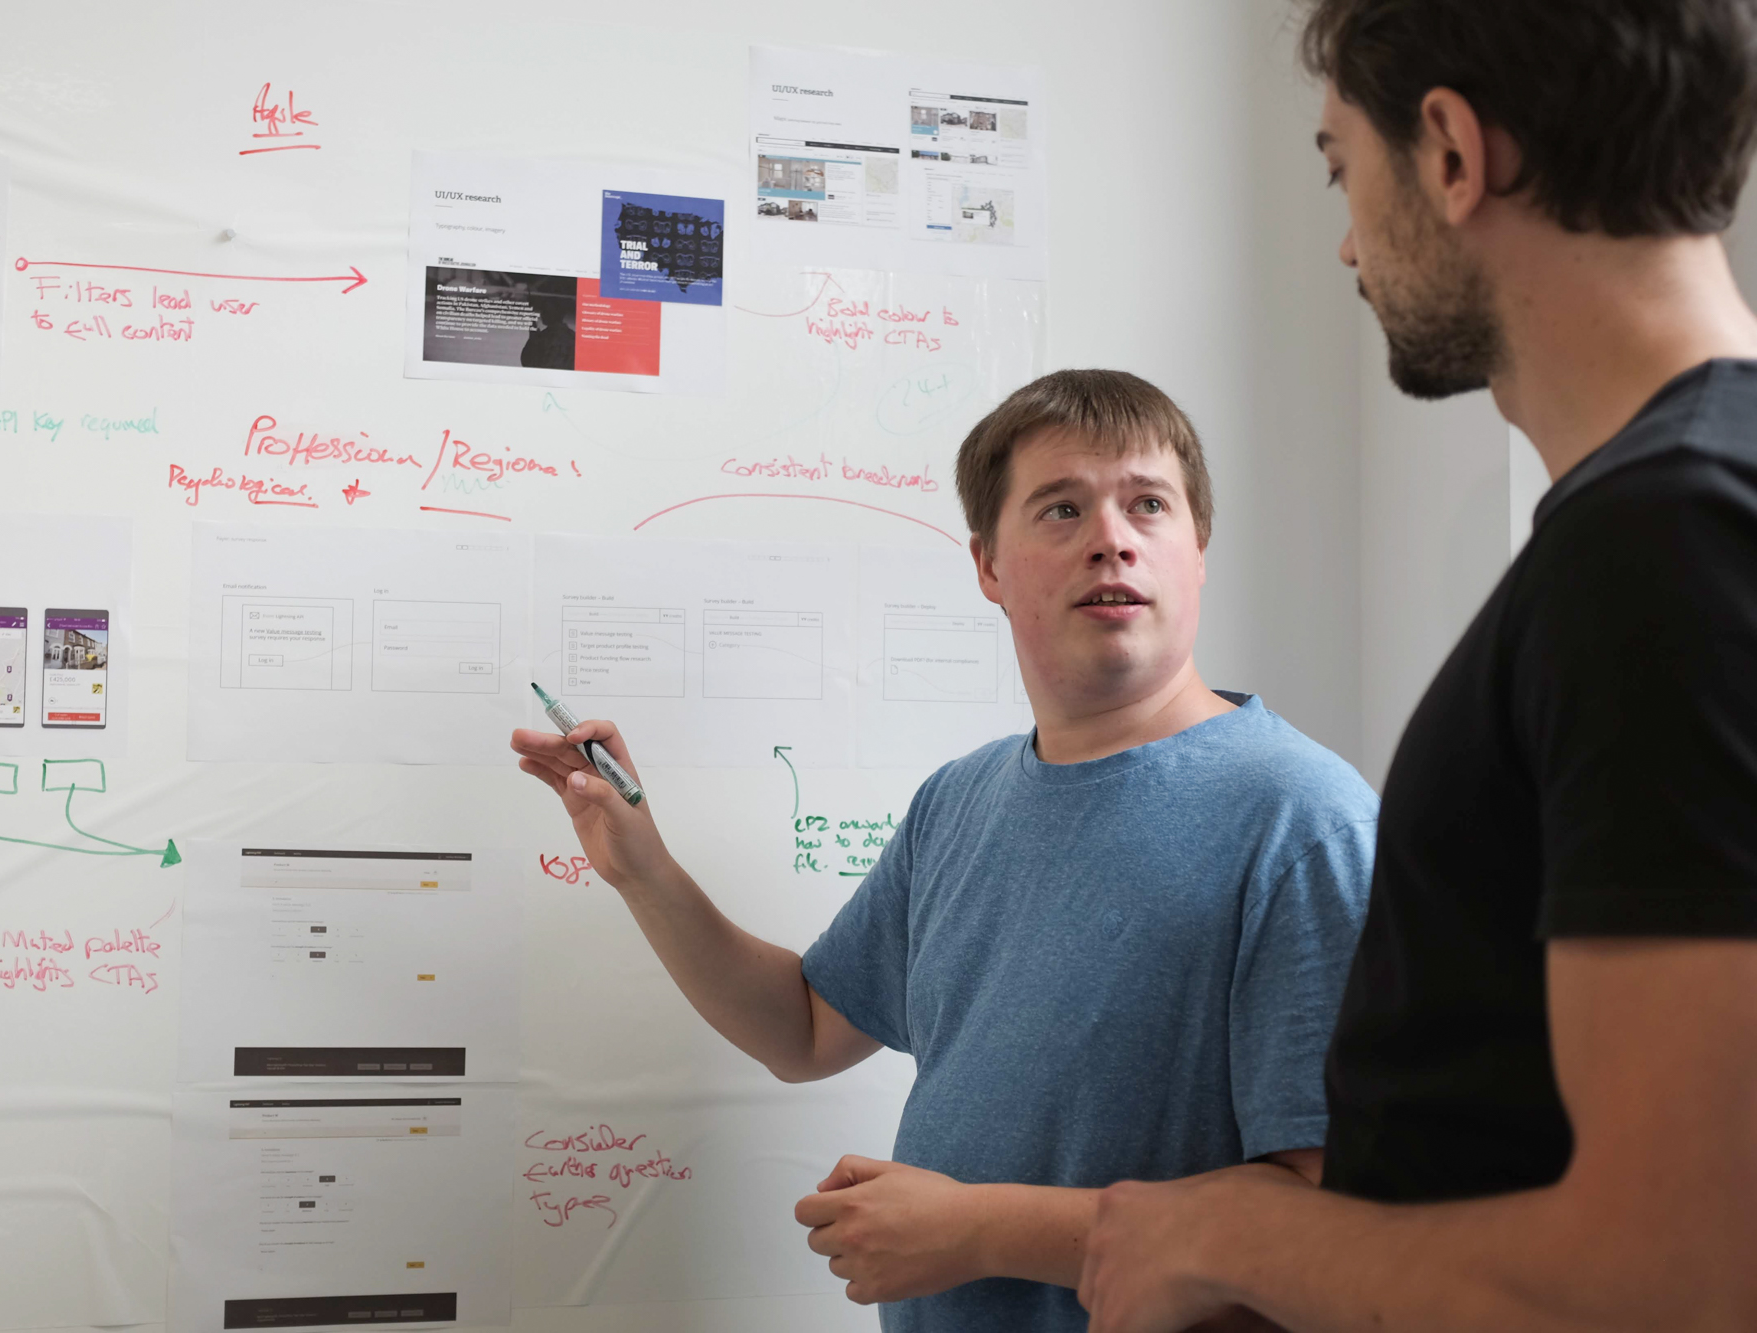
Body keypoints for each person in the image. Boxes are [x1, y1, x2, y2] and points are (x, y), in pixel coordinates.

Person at [1072, 4, 1757, 1330]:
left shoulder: (1669, 539)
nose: (1343, 241)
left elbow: (1683, 1276)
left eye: (1342, 168)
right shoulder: (1668, 522)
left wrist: (1233, 1237)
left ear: (1449, 151)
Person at [511, 369, 1379, 1332]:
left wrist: (978, 1227)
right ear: (988, 567)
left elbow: (1328, 1226)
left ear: (1199, 548)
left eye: (1149, 504)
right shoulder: (960, 800)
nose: (1112, 536)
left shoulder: (1302, 819)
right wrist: (646, 871)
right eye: (1060, 508)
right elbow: (801, 1030)